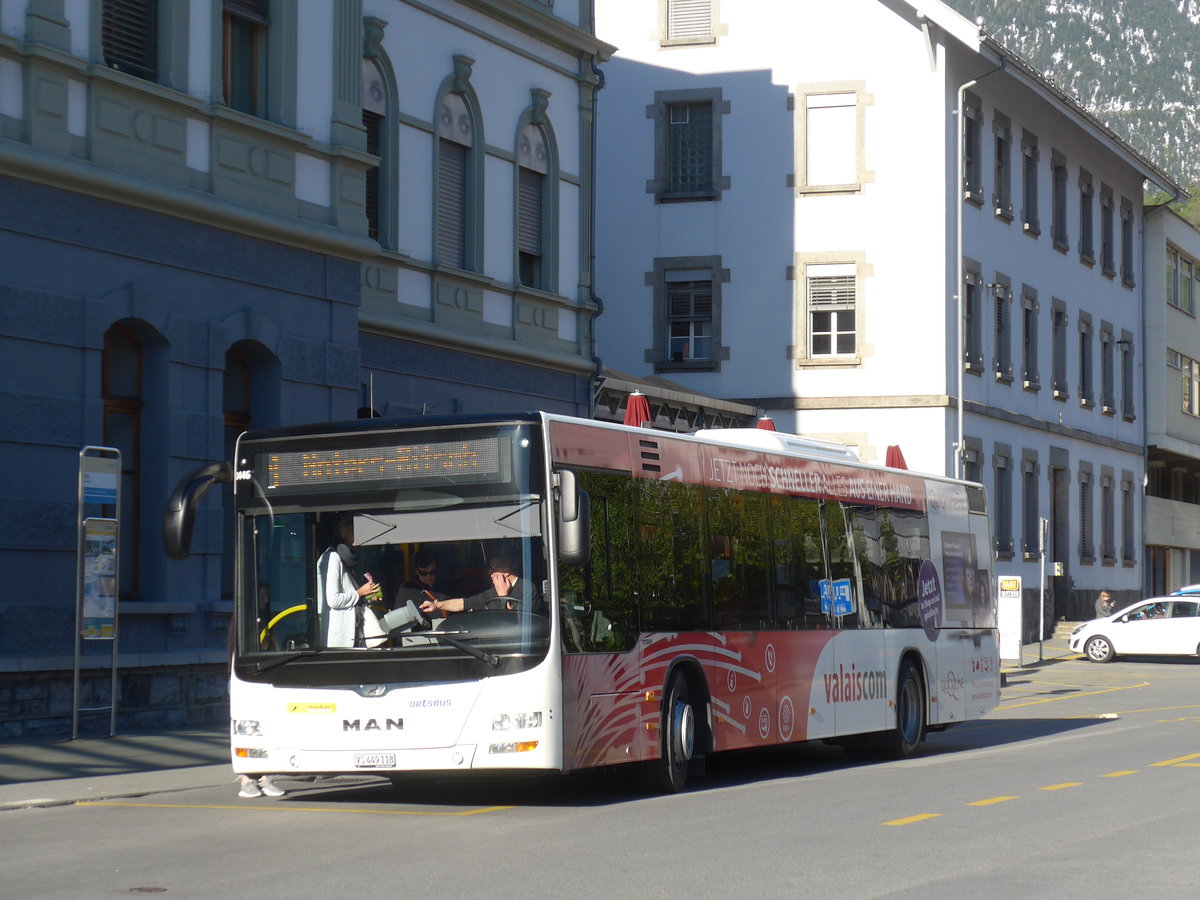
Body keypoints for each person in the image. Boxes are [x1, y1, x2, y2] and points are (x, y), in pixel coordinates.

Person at [317, 516, 382, 648]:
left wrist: (367, 595)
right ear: (347, 535)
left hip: (351, 633)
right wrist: (360, 592)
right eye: (356, 533)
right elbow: (333, 600)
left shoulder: (345, 559)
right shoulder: (332, 558)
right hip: (340, 637)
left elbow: (348, 593)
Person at [420, 556, 543, 617]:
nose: (489, 573)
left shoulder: (527, 589)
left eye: (493, 569)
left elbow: (518, 624)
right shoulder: (491, 593)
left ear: (506, 571)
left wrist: (503, 595)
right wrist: (437, 605)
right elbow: (465, 603)